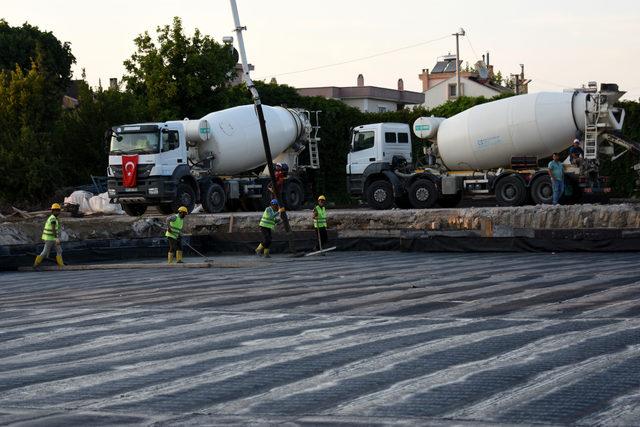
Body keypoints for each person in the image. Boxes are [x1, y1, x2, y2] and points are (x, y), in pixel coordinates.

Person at [34, 203, 64, 268]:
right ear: (52, 211)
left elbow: (57, 228)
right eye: (56, 210)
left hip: (53, 238)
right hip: (49, 238)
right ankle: (36, 264)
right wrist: (56, 238)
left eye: (58, 210)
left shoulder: (55, 218)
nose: (58, 212)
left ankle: (61, 265)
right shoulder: (53, 218)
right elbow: (53, 229)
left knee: (59, 250)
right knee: (44, 252)